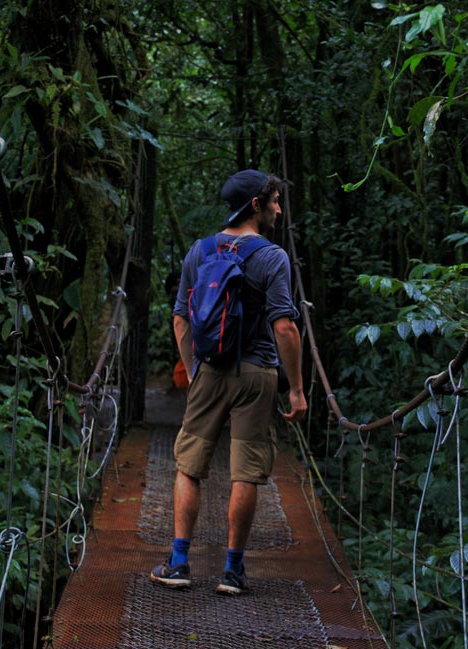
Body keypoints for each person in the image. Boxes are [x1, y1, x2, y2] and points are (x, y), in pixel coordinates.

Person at [150, 169, 307, 594]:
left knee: (188, 465)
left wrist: (195, 369)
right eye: (274, 200)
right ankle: (232, 572)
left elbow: (181, 318)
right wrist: (295, 386)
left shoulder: (199, 252)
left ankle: (179, 563)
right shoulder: (272, 257)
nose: (278, 208)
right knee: (246, 471)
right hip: (257, 375)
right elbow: (285, 327)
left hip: (209, 372)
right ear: (255, 204)